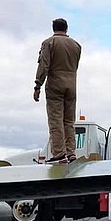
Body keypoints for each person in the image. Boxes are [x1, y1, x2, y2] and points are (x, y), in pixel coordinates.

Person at [33, 17, 82, 163]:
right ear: (66, 28)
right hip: (72, 84)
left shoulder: (49, 43)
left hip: (55, 83)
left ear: (53, 28)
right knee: (69, 121)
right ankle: (71, 152)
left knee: (56, 120)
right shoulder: (76, 45)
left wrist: (38, 85)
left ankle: (59, 153)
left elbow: (44, 65)